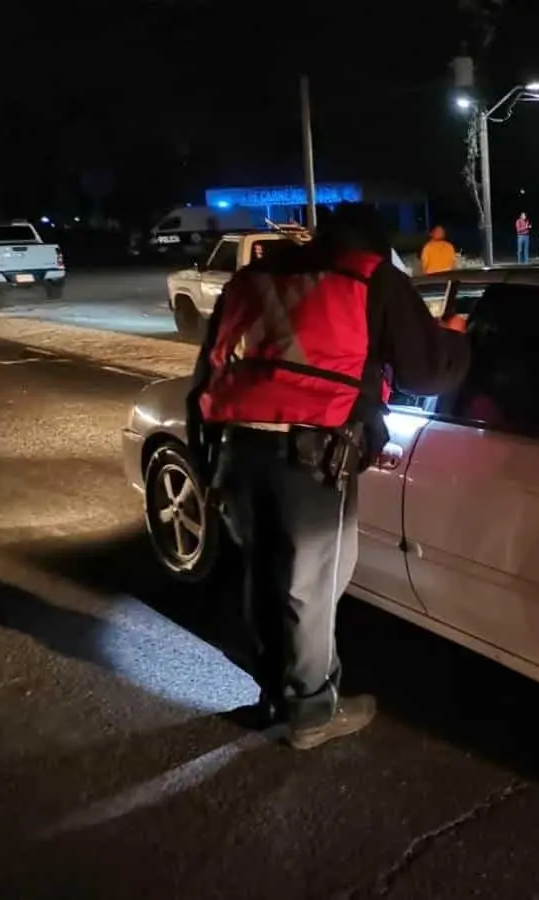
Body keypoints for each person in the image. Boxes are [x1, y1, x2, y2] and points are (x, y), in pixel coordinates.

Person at [186, 202, 469, 749]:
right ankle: (312, 712)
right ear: (372, 247)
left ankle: (277, 691)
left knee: (265, 574)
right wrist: (455, 337)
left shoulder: (255, 277)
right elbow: (427, 371)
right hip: (309, 459)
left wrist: (204, 460)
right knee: (311, 586)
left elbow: (209, 368)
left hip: (236, 449)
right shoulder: (368, 278)